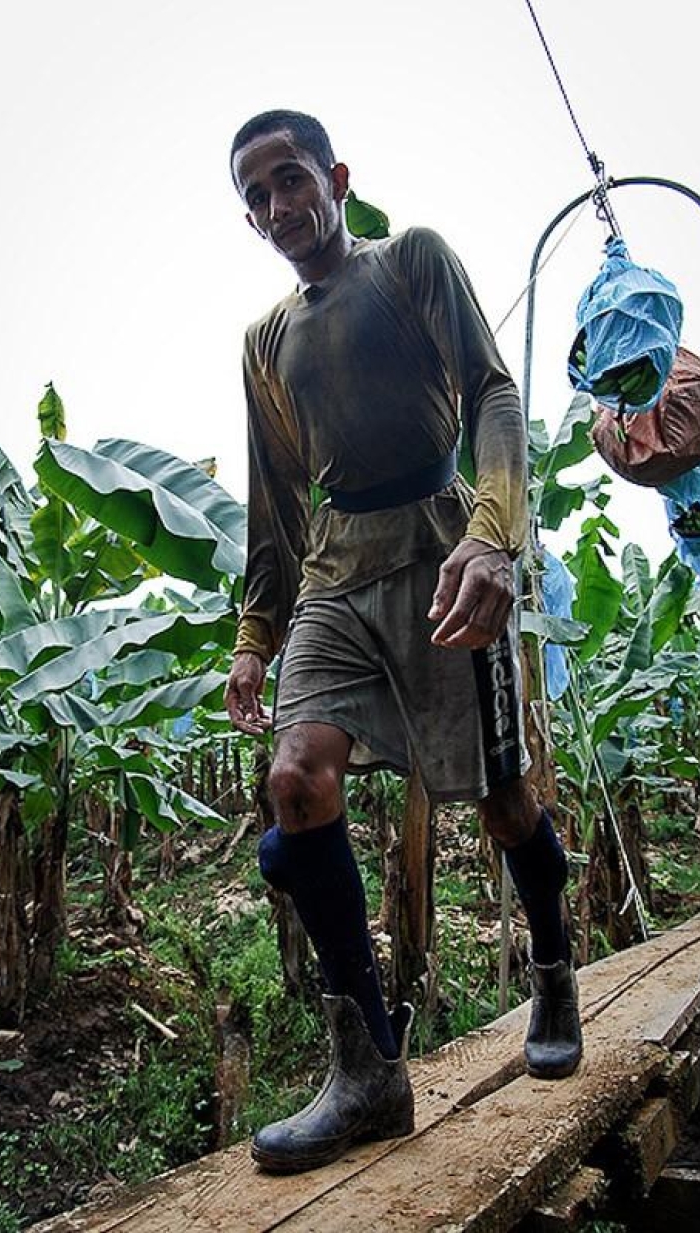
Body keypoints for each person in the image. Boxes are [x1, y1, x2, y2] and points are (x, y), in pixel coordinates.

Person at [225, 108, 582, 1174]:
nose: (278, 208)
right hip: (335, 570)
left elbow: (494, 393)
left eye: (290, 181)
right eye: (255, 199)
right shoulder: (266, 340)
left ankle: (555, 970)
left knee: (506, 801)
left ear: (335, 177)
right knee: (295, 780)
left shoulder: (412, 261)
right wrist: (254, 632)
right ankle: (370, 1074)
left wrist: (493, 535)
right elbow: (276, 501)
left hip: (440, 543)